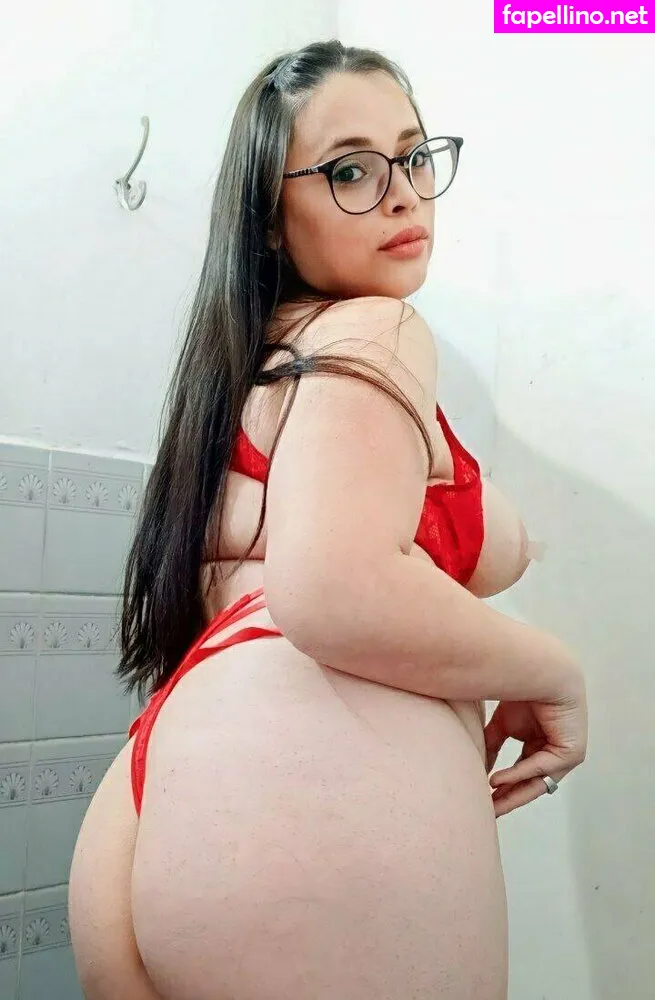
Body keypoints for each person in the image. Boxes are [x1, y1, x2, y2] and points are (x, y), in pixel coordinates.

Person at [68, 38, 587, 1000]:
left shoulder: (252, 369)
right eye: (350, 170)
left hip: (187, 787)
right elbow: (336, 589)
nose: (402, 194)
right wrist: (551, 670)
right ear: (270, 218)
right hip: (306, 792)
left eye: (414, 155)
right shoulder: (374, 332)